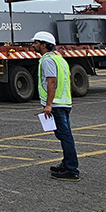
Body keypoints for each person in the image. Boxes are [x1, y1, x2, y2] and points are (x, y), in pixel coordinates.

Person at [32, 31, 79, 181]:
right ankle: (66, 164)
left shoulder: (47, 60)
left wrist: (49, 105)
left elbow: (52, 82)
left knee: (65, 136)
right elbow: (68, 81)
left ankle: (72, 170)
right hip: (63, 102)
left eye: (36, 43)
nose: (33, 46)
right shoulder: (60, 59)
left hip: (57, 104)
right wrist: (69, 102)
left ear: (44, 45)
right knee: (64, 135)